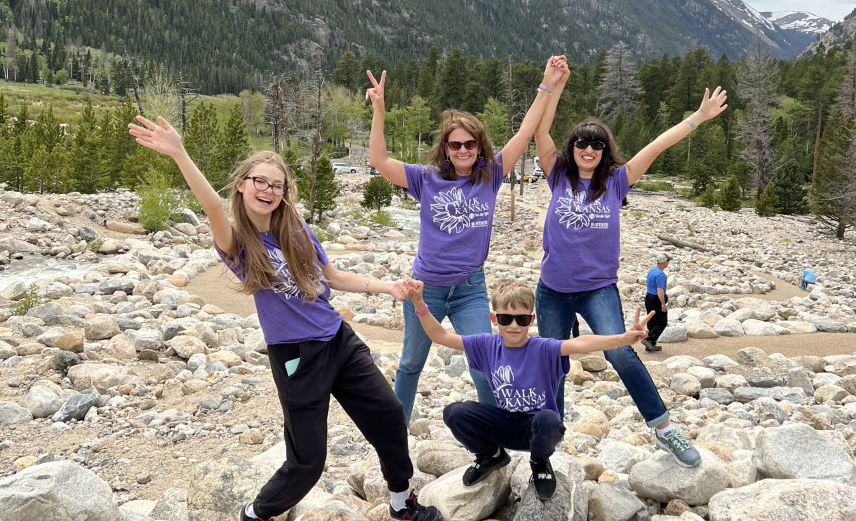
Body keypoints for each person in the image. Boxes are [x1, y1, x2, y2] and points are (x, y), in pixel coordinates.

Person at [127, 117, 441, 521]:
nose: (269, 191)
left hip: (338, 339)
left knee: (390, 416)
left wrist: (386, 287)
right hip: (296, 356)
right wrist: (179, 153)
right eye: (260, 181)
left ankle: (401, 503)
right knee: (308, 463)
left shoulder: (296, 228)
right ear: (242, 184)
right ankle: (255, 514)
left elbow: (332, 277)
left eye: (277, 186)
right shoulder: (237, 241)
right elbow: (210, 204)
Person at [533, 62, 728, 467]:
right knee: (552, 362)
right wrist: (551, 87)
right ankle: (549, 444)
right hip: (552, 289)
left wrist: (700, 117)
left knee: (620, 353)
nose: (588, 150)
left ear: (605, 152)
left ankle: (664, 429)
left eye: (597, 145)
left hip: (597, 289)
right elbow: (540, 131)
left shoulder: (618, 180)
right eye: (582, 143)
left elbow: (657, 145)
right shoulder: (557, 175)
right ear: (572, 148)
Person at [366, 56, 570, 423]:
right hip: (424, 288)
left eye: (470, 144)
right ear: (445, 147)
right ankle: (395, 436)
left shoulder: (490, 175)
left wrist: (547, 83)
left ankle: (493, 438)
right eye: (455, 144)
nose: (463, 150)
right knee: (411, 362)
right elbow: (379, 160)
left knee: (485, 364)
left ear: (480, 146)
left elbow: (525, 133)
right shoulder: (425, 178)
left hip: (469, 289)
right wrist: (379, 109)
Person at [405, 279, 653, 500]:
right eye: (505, 319)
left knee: (549, 418)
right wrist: (420, 304)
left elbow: (580, 343)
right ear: (494, 319)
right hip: (504, 422)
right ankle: (491, 455)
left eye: (521, 319)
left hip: (537, 429)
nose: (513, 326)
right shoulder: (485, 344)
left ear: (531, 320)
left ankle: (540, 461)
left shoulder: (542, 348)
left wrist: (623, 338)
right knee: (455, 413)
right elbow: (441, 336)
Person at [642, 253, 671, 352]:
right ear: (664, 262)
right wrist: (663, 304)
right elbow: (660, 291)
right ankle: (648, 339)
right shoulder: (661, 275)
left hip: (648, 297)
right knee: (662, 322)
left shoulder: (652, 270)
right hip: (656, 299)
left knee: (652, 321)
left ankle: (651, 344)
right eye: (668, 261)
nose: (668, 263)